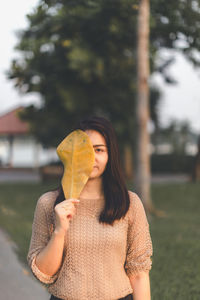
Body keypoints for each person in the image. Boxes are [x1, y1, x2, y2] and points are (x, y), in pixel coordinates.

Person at [27, 116, 153, 300]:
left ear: (110, 155)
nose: (91, 157)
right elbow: (44, 273)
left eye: (99, 150)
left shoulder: (130, 203)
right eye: (83, 150)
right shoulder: (49, 204)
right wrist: (59, 231)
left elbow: (139, 273)